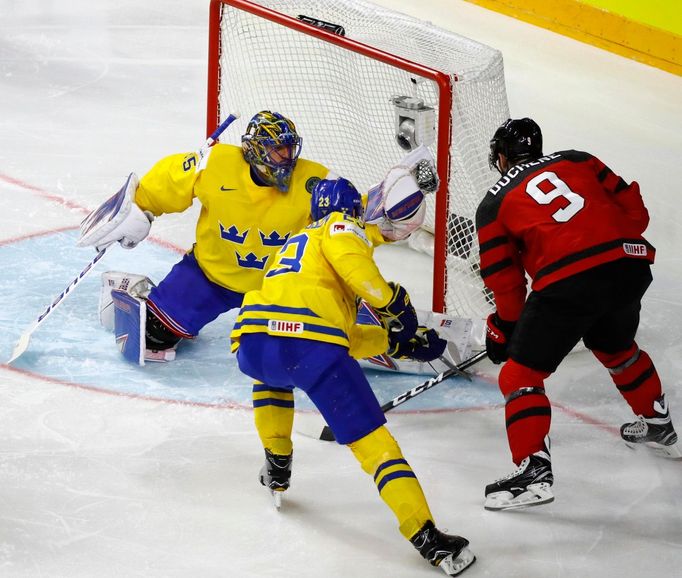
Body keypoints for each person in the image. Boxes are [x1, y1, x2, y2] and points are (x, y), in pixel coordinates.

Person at [230, 178, 475, 576]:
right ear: (352, 212)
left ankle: (277, 462)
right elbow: (351, 270)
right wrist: (391, 300)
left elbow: (337, 332)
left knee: (273, 377)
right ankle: (426, 536)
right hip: (310, 349)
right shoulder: (340, 228)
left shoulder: (293, 245)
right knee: (375, 447)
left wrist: (399, 346)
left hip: (253, 343)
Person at [77, 111, 438, 365]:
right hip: (210, 277)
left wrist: (389, 216)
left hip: (281, 289)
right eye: (276, 150)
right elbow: (168, 182)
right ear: (253, 150)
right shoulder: (214, 164)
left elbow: (351, 227)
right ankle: (135, 294)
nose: (286, 159)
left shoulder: (316, 183)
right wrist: (139, 208)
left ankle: (386, 331)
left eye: (289, 149)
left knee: (314, 352)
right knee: (153, 336)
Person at [475, 117, 681, 512]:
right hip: (629, 264)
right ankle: (657, 423)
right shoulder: (578, 159)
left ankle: (533, 470)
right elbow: (637, 215)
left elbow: (506, 283)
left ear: (501, 157)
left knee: (520, 374)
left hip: (570, 281)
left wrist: (505, 329)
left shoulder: (492, 204)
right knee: (616, 346)